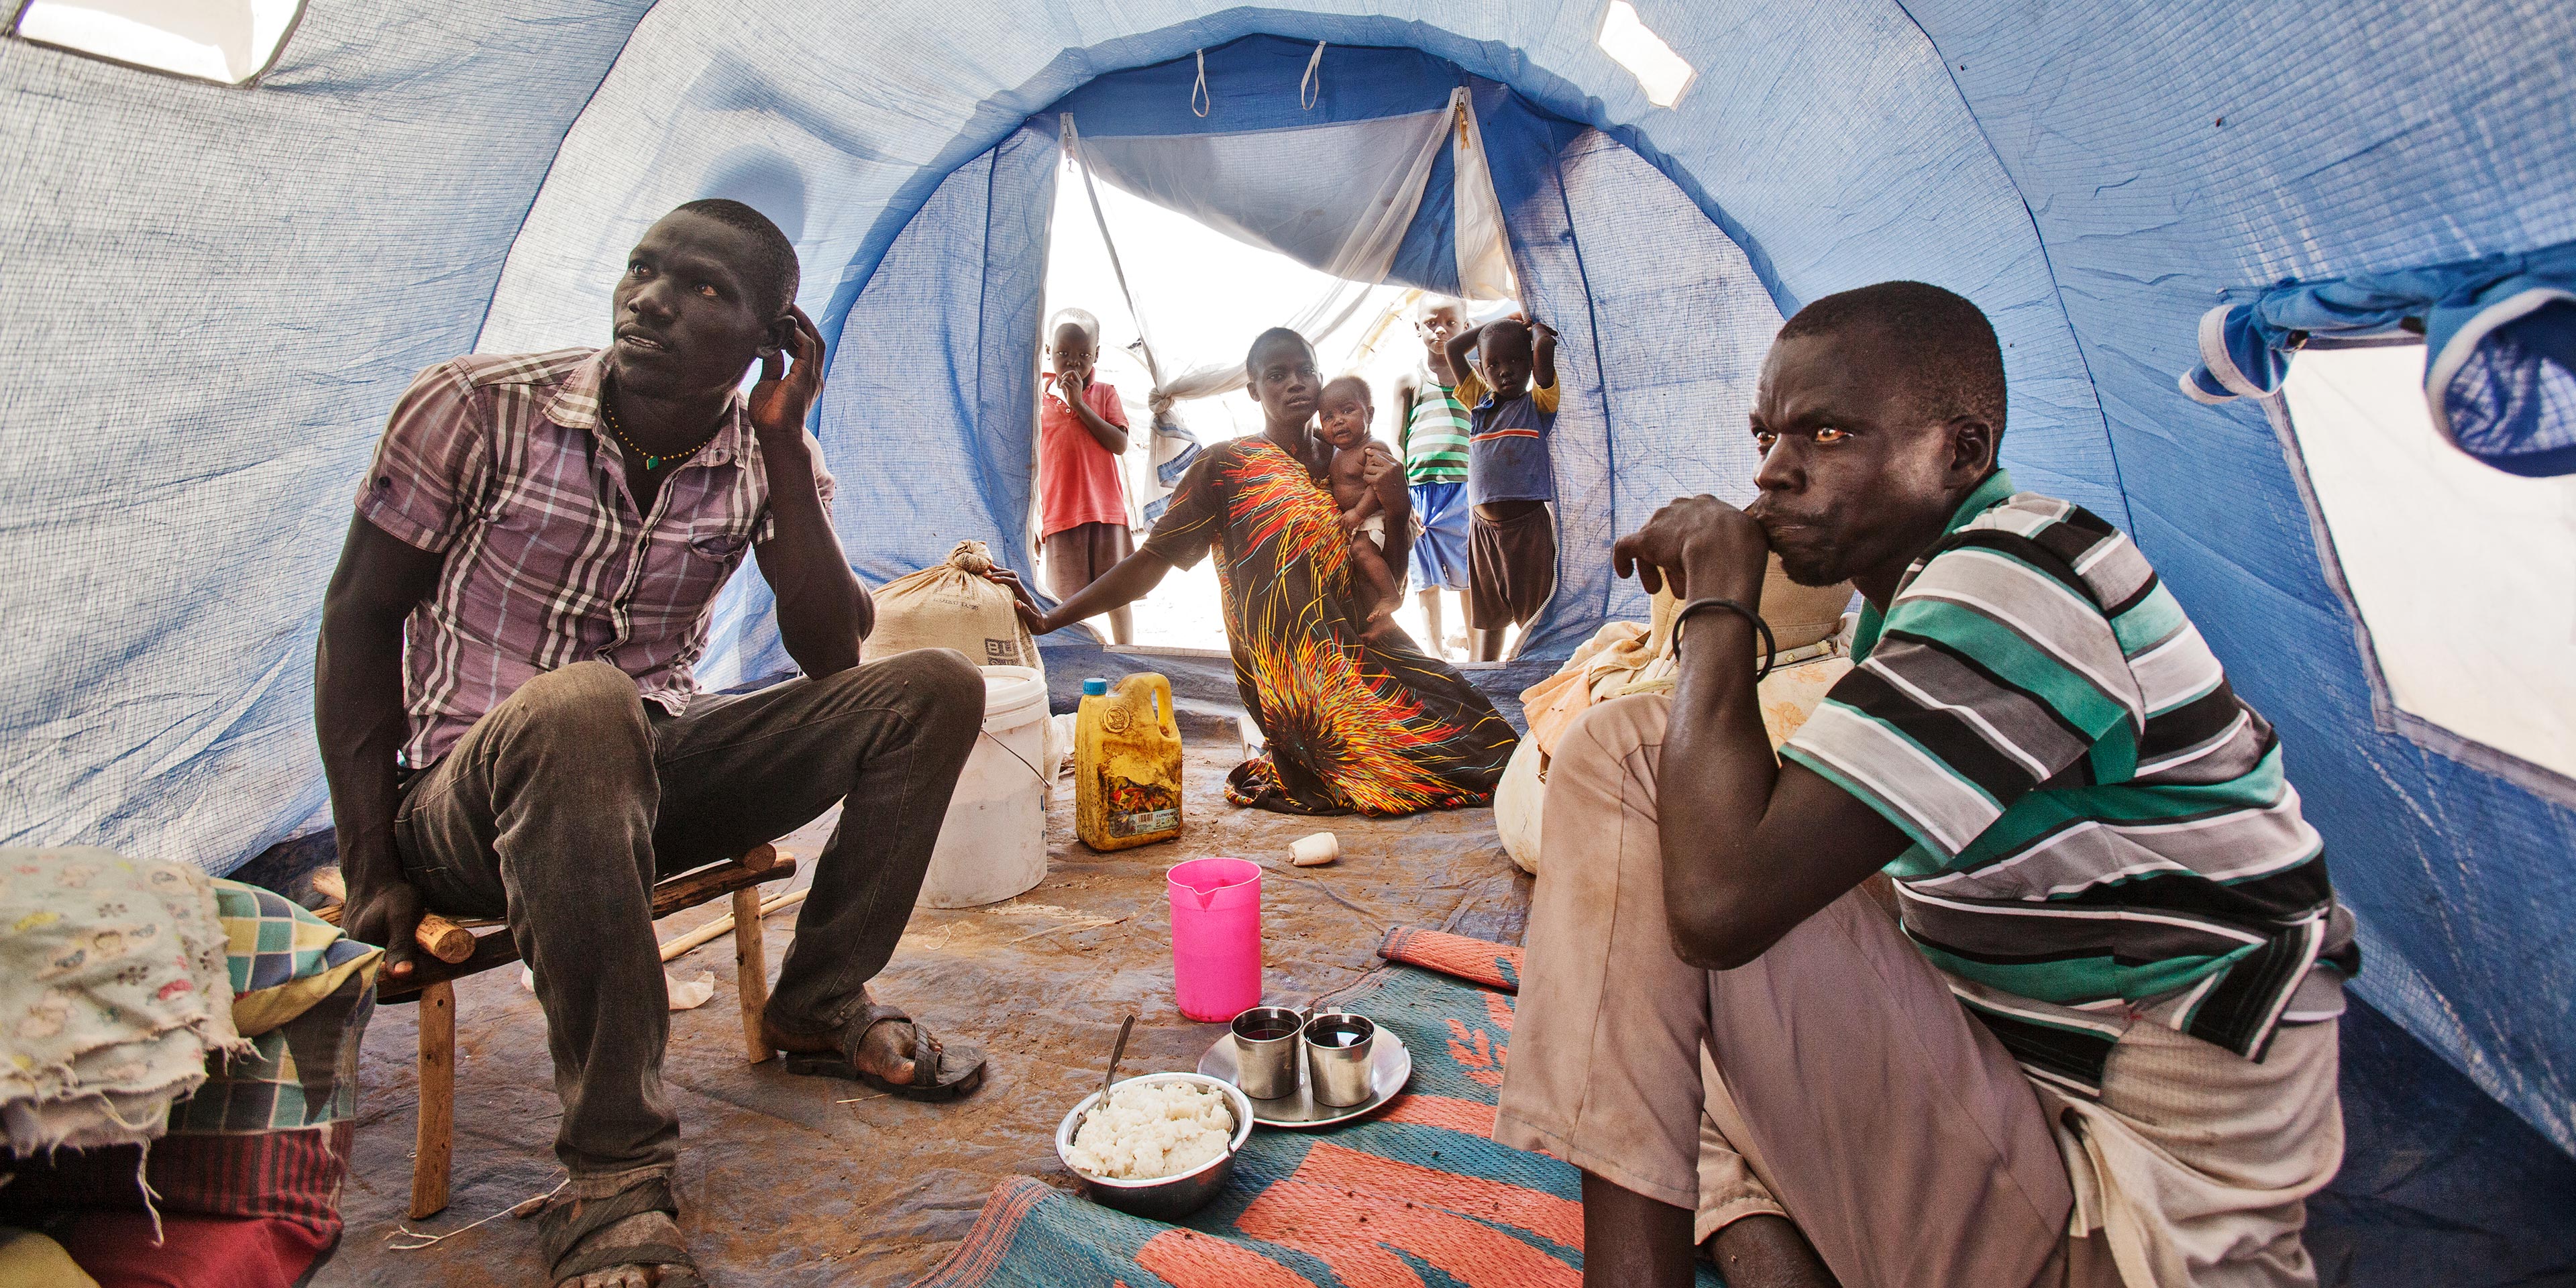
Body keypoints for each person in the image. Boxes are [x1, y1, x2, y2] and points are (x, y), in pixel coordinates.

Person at [1495, 281, 2353, 1288]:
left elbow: (1725, 905)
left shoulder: (2015, 582)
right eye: (1767, 435)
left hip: (2137, 1216)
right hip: (2037, 1106)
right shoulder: (1909, 604)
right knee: (1644, 997)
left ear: (1962, 452)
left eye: (1828, 434)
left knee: (1633, 766)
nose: (1775, 474)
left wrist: (1719, 610)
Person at [317, 200, 992, 1288]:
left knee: (931, 690)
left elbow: (832, 652)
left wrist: (779, 439)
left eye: (705, 290)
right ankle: (614, 1174)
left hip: (653, 763)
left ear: (776, 340)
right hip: (465, 800)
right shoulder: (477, 407)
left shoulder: (764, 450)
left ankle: (819, 1004)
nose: (650, 302)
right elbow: (357, 619)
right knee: (583, 704)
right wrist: (370, 860)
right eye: (643, 270)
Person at [1003, 328, 1519, 815]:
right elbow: (1148, 563)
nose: (1295, 383)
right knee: (1410, 766)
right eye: (1277, 374)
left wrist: (1400, 508)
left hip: (1368, 645)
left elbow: (1390, 583)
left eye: (1305, 371)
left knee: (1489, 738)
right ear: (1254, 390)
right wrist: (1054, 619)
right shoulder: (1225, 467)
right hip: (1295, 683)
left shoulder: (1359, 463)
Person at [1444, 315, 1561, 661]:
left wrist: (1535, 333)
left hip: (1526, 530)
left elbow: (1544, 352)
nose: (1505, 371)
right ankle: (1485, 672)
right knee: (1489, 615)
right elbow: (1453, 348)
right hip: (1482, 531)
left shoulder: (1538, 404)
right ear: (1482, 369)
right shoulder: (1480, 401)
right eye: (1493, 364)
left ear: (1528, 363)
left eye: (1515, 361)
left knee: (1532, 613)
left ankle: (1534, 670)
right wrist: (1496, 326)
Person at [1038, 309, 1136, 645]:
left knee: (1117, 593)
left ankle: (1127, 653)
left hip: (1105, 511)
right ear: (1049, 352)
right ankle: (1075, 659)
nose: (1073, 362)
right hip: (1060, 515)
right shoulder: (1037, 400)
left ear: (1096, 355)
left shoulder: (1106, 392)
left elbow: (1119, 444)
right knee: (1065, 602)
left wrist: (1079, 403)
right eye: (1063, 354)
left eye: (1083, 355)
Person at [1391, 297, 1474, 657]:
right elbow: (1397, 443)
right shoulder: (1410, 381)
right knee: (1425, 577)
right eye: (1431, 322)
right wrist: (1402, 496)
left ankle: (1477, 650)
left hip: (1465, 492)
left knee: (1469, 573)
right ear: (1417, 328)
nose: (1441, 329)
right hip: (1420, 492)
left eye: (1451, 323)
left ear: (1466, 328)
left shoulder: (1476, 378)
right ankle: (1436, 652)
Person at [1318, 374, 1404, 633]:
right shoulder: (1337, 450)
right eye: (1328, 417)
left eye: (1347, 410)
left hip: (1372, 517)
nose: (1339, 421)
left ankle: (1392, 596)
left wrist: (1358, 513)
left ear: (1370, 414)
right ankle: (1382, 620)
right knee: (1362, 575)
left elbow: (1378, 487)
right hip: (1359, 521)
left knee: (1361, 553)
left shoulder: (1372, 447)